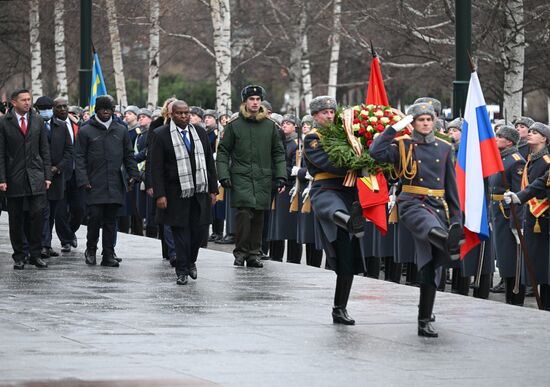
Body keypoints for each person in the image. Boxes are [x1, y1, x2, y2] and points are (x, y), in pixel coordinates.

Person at [370, 103, 462, 337]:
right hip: (412, 202)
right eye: (420, 120)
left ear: (434, 121)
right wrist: (393, 129)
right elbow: (375, 152)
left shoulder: (444, 147)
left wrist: (456, 219)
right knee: (428, 227)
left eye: (429, 120)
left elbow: (451, 186)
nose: (425, 123)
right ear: (413, 122)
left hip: (438, 206)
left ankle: (424, 318)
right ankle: (448, 242)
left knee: (430, 265)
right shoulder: (402, 145)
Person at [303, 96, 367, 325]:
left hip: (349, 191)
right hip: (326, 188)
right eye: (324, 113)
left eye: (332, 111)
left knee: (346, 257)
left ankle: (340, 308)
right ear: (315, 116)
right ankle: (349, 221)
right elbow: (329, 163)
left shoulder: (347, 135)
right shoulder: (312, 138)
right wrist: (359, 161)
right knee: (334, 209)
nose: (329, 116)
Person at [216, 85, 286, 268]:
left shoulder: (270, 126)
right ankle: (241, 252)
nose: (255, 103)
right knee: (244, 214)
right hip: (241, 176)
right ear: (245, 102)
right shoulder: (235, 125)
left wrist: (281, 176)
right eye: (251, 99)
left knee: (258, 215)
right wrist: (223, 175)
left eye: (257, 99)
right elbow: (223, 151)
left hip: (263, 177)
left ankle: (254, 253)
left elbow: (278, 153)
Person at [151, 100, 218, 285]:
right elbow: (155, 168)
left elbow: (209, 163)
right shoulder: (161, 134)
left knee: (199, 231)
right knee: (180, 232)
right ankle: (181, 269)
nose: (184, 116)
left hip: (199, 191)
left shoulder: (200, 132)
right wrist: (160, 194)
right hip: (174, 193)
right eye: (179, 113)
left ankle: (191, 261)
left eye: (186, 113)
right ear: (171, 115)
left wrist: (213, 189)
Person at [75, 95, 139, 267]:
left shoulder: (121, 129)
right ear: (97, 109)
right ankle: (91, 249)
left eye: (109, 109)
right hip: (94, 182)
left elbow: (128, 154)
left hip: (115, 182)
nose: (106, 112)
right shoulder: (85, 130)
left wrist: (133, 174)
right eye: (103, 109)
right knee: (94, 218)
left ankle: (108, 254)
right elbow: (79, 158)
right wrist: (83, 179)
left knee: (111, 220)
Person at [0, 88, 52, 269]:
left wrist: (47, 175)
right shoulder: (4, 122)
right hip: (14, 178)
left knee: (37, 217)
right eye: (23, 100)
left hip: (36, 177)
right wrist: (2, 178)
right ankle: (19, 256)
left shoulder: (37, 120)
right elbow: (0, 153)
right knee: (16, 219)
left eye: (29, 99)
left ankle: (35, 254)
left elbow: (44, 149)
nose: (27, 103)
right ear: (14, 102)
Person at [504, 122, 550, 309]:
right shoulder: (532, 158)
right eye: (529, 131)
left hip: (544, 219)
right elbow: (538, 183)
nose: (529, 134)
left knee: (546, 265)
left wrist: (520, 197)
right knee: (537, 264)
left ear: (544, 138)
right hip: (533, 217)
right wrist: (519, 197)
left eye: (535, 132)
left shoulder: (545, 160)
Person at [489, 126, 525, 304]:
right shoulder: (501, 159)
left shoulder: (516, 161)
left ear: (509, 141)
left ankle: (515, 297)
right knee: (503, 256)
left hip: (507, 214)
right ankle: (509, 296)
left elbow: (519, 194)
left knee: (511, 256)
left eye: (499, 136)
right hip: (498, 211)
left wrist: (515, 224)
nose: (495, 139)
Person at [35, 96, 73, 259]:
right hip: (39, 176)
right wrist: (43, 169)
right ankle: (42, 244)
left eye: (48, 107)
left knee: (52, 213)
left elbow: (69, 150)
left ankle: (47, 244)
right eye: (43, 108)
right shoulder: (34, 125)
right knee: (43, 211)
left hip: (57, 177)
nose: (46, 111)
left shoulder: (62, 126)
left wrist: (58, 168)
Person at [268, 114, 302, 263]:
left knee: (291, 227)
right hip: (278, 186)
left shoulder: (296, 144)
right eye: (284, 123)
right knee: (277, 226)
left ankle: (293, 259)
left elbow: (295, 166)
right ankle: (275, 256)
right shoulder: (281, 142)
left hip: (290, 187)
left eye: (289, 123)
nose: (285, 126)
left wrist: (283, 171)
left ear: (295, 126)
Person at [55, 98, 84, 253]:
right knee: (60, 210)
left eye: (65, 106)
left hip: (76, 173)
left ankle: (70, 231)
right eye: (59, 107)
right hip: (58, 174)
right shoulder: (50, 126)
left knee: (79, 209)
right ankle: (65, 240)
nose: (62, 109)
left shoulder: (77, 124)